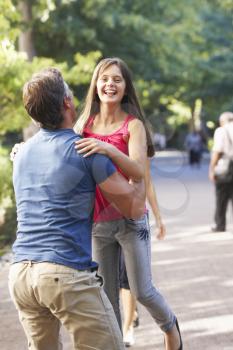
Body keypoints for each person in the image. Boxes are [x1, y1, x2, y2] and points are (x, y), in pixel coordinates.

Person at [8, 67, 146, 350]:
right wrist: (139, 169)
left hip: (21, 274)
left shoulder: (20, 154)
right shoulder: (86, 151)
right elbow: (134, 207)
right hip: (64, 273)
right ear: (67, 103)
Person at [75, 57, 182, 350]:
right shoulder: (83, 124)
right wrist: (25, 150)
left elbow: (138, 170)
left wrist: (108, 148)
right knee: (107, 298)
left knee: (142, 291)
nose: (110, 84)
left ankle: (170, 326)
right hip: (98, 223)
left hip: (132, 221)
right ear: (95, 85)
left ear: (125, 87)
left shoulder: (133, 126)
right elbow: (62, 155)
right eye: (104, 78)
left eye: (117, 79)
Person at [120, 177, 166, 347]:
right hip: (102, 218)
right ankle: (131, 312)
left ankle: (127, 327)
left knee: (127, 278)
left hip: (130, 219)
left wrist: (158, 218)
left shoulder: (136, 149)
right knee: (115, 278)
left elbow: (146, 180)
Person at [209, 111, 233, 232]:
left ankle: (220, 225)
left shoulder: (221, 131)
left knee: (221, 197)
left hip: (226, 167)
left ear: (222, 121)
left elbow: (217, 151)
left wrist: (212, 169)